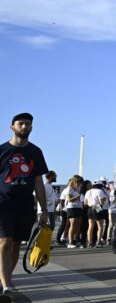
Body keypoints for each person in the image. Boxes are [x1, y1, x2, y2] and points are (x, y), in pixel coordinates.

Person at [0, 113, 49, 301]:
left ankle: (5, 279)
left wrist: (43, 210)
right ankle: (7, 286)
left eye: (28, 124)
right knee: (4, 242)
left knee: (15, 245)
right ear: (12, 127)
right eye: (21, 123)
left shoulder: (35, 152)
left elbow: (38, 182)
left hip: (25, 205)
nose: (25, 126)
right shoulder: (2, 150)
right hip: (3, 203)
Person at [84, 179, 109, 248]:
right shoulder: (100, 191)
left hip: (89, 209)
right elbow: (101, 202)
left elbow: (85, 203)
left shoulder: (88, 192)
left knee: (90, 226)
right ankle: (98, 242)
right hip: (97, 208)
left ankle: (89, 242)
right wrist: (103, 200)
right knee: (100, 226)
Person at [63, 175, 84, 248]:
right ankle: (70, 242)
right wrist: (78, 197)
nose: (79, 184)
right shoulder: (69, 189)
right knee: (72, 224)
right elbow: (69, 199)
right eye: (78, 182)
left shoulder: (78, 188)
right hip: (72, 207)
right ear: (74, 181)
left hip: (78, 207)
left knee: (77, 224)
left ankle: (73, 240)